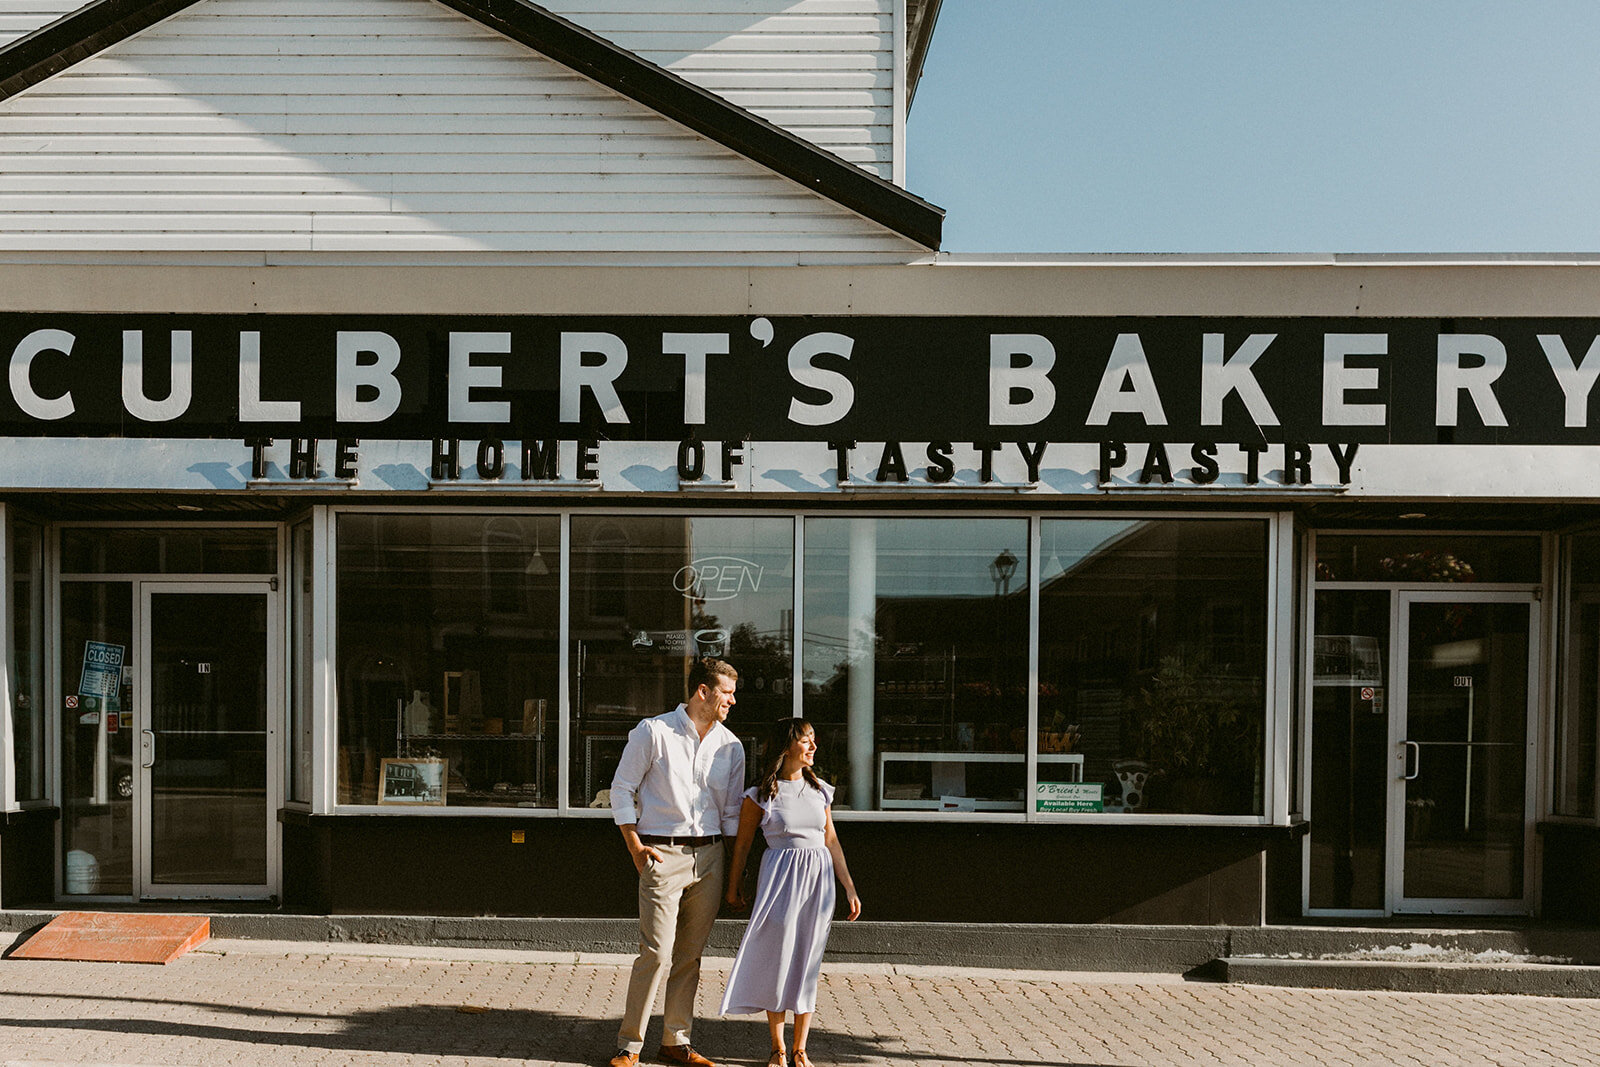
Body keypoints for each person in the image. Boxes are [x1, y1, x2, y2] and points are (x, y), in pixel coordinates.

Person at [607, 658, 746, 1067]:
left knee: (690, 954)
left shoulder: (731, 746)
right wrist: (634, 845)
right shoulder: (655, 732)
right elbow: (621, 789)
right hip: (660, 853)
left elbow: (732, 814)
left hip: (711, 857)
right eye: (727, 692)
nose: (732, 701)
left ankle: (675, 1041)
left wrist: (734, 872)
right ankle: (629, 1045)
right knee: (656, 952)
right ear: (703, 691)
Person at [720, 717, 861, 1067]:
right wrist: (733, 886)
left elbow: (831, 840)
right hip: (780, 880)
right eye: (806, 740)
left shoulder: (819, 790)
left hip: (818, 880)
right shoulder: (760, 795)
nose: (813, 746)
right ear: (786, 747)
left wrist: (849, 887)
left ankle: (800, 1049)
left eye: (814, 739)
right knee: (779, 959)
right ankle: (777, 1047)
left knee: (807, 963)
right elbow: (743, 844)